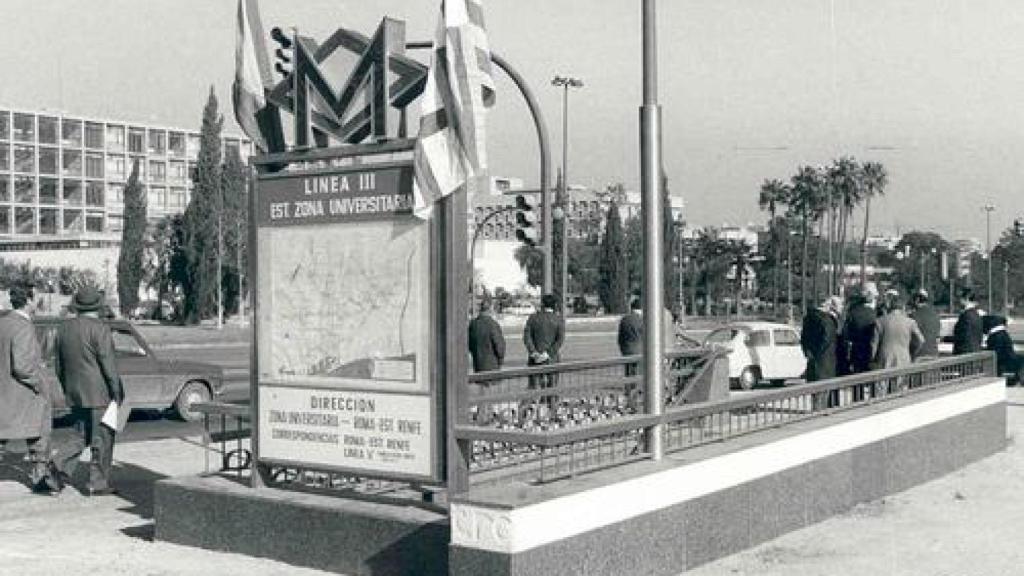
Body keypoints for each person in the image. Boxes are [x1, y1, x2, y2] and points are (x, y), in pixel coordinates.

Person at [51, 286, 124, 496]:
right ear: (98, 307)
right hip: (99, 394)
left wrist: (68, 389)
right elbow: (108, 366)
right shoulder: (100, 329)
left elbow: (59, 366)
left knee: (79, 435)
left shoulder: (63, 328)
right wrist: (116, 393)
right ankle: (97, 483)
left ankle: (57, 465)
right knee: (102, 438)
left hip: (75, 392)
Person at [0, 285, 59, 494]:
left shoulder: (4, 322)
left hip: (4, 392)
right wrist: (40, 382)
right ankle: (40, 476)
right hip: (23, 392)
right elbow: (23, 366)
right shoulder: (23, 326)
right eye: (37, 296)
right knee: (40, 430)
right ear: (29, 300)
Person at [871, 291, 924, 370]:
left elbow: (874, 344)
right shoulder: (910, 322)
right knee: (902, 381)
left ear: (890, 307)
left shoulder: (879, 321)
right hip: (903, 358)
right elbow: (921, 340)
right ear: (903, 307)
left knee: (883, 380)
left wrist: (872, 359)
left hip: (884, 358)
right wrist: (913, 352)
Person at [523, 294, 565, 390]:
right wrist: (548, 353)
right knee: (552, 388)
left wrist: (533, 352)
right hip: (552, 359)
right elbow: (560, 340)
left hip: (535, 359)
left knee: (533, 388)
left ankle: (532, 404)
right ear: (554, 305)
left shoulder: (533, 318)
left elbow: (527, 337)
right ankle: (551, 404)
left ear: (542, 304)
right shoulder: (558, 320)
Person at [801, 296, 842, 382]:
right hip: (826, 365)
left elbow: (803, 339)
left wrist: (809, 353)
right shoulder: (827, 321)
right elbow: (827, 339)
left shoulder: (808, 318)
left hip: (812, 364)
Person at [842, 284, 878, 376]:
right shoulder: (875, 314)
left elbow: (846, 334)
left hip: (856, 351)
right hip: (871, 353)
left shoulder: (853, 312)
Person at [467, 298, 505, 373]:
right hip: (492, 364)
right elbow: (499, 345)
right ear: (490, 309)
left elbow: (469, 344)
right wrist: (501, 359)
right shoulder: (492, 324)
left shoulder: (473, 324)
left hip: (478, 364)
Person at [982, 314, 1021, 385]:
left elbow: (995, 353)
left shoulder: (997, 335)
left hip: (1004, 368)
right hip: (1008, 366)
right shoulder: (1001, 333)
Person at [910, 289, 941, 360]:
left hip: (919, 355)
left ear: (917, 300)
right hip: (933, 353)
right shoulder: (935, 315)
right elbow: (938, 337)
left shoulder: (914, 316)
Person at [952, 288, 984, 355]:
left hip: (965, 354)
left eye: (960, 298)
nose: (959, 301)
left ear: (966, 299)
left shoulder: (966, 316)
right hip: (975, 352)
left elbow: (963, 336)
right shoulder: (977, 315)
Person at [617, 298, 643, 376]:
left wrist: (622, 348)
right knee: (639, 371)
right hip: (639, 349)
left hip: (626, 349)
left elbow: (620, 337)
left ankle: (629, 386)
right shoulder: (642, 320)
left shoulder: (624, 319)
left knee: (628, 370)